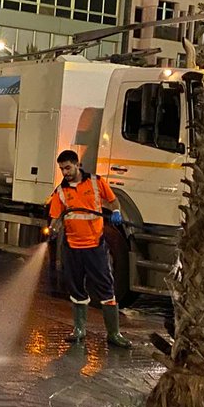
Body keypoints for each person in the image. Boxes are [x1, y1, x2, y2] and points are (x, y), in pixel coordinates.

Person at [46, 149, 132, 348]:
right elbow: (57, 216)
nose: (65, 172)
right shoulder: (61, 191)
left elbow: (112, 200)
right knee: (76, 288)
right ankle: (79, 330)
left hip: (95, 246)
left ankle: (114, 333)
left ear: (77, 165)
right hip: (72, 248)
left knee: (105, 287)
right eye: (61, 169)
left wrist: (117, 211)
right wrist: (53, 228)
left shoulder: (96, 182)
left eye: (68, 167)